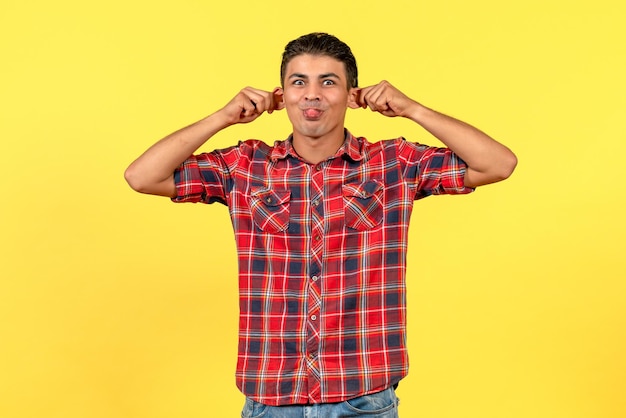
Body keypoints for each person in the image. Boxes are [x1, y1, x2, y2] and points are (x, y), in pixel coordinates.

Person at [125, 32, 517, 418]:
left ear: (351, 95)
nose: (312, 93)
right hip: (270, 400)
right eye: (299, 82)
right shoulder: (244, 167)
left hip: (363, 397)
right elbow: (143, 176)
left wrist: (413, 108)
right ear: (282, 96)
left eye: (328, 82)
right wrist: (223, 117)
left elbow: (497, 164)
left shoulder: (393, 163)